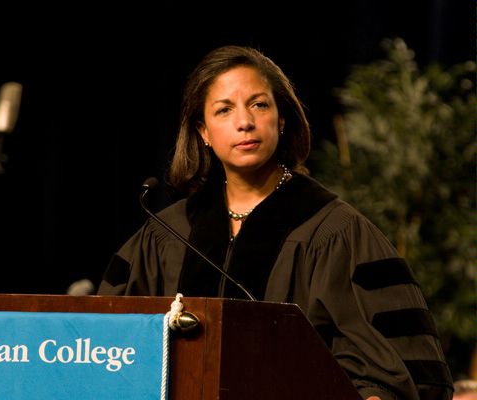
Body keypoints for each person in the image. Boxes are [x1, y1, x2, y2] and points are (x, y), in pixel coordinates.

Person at [97, 45, 453, 399]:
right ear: (203, 132)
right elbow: (107, 349)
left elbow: (405, 371)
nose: (245, 122)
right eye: (224, 109)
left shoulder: (336, 233)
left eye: (259, 104)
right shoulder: (166, 235)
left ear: (281, 119)